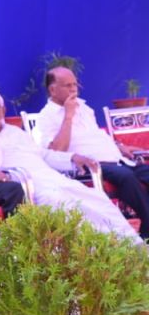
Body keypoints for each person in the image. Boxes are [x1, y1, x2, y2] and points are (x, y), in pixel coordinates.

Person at [0, 89, 138, 239]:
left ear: (3, 110)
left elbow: (43, 154)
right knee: (63, 204)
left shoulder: (16, 132)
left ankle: (131, 247)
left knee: (97, 199)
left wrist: (72, 158)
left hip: (51, 176)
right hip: (25, 182)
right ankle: (90, 253)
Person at [33, 66, 149, 238]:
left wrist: (118, 145)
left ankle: (146, 229)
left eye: (75, 84)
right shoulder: (46, 117)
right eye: (68, 85)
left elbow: (96, 135)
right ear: (52, 90)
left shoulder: (84, 108)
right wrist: (68, 116)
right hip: (91, 166)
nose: (74, 89)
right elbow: (56, 151)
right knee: (126, 177)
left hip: (117, 159)